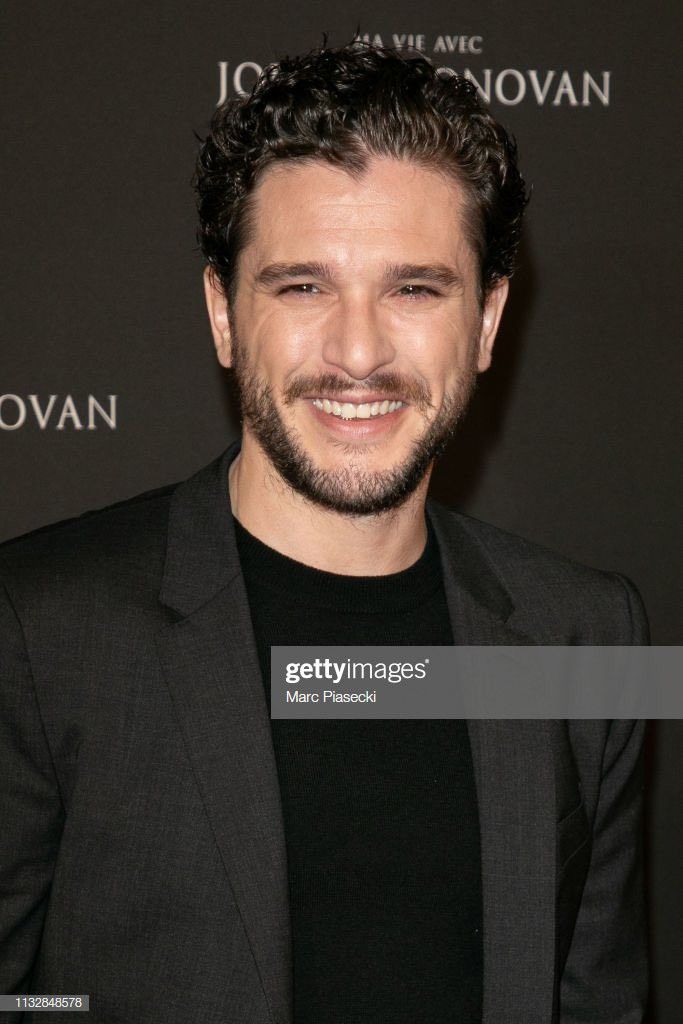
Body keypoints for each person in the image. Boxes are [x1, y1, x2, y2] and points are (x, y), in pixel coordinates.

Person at [0, 41, 648, 1024]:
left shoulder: (589, 637)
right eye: (302, 286)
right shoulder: (38, 631)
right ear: (223, 314)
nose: (356, 350)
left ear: (486, 320)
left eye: (414, 288)